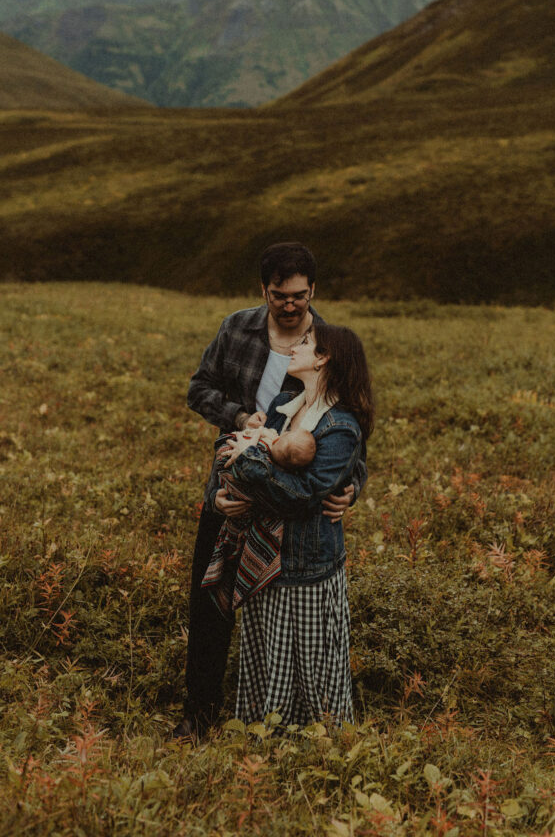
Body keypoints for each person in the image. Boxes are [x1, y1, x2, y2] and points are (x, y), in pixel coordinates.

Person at [173, 242, 367, 739]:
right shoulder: (236, 328)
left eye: (299, 296)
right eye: (280, 295)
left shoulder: (326, 344)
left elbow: (347, 433)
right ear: (264, 291)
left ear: (313, 291)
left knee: (270, 607)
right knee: (211, 599)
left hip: (286, 499)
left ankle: (280, 715)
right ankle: (199, 713)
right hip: (234, 483)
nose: (290, 305)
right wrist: (241, 420)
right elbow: (199, 389)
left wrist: (355, 486)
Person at [219, 321, 374, 726]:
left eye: (306, 342)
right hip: (265, 551)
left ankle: (315, 743)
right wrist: (228, 490)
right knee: (268, 652)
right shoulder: (285, 403)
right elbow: (253, 459)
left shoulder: (340, 426)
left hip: (306, 563)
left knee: (310, 660)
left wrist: (249, 462)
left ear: (322, 358)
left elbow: (301, 495)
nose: (295, 347)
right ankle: (265, 737)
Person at [200, 425, 316, 619]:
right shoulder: (278, 462)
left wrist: (253, 445)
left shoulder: (263, 452)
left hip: (242, 504)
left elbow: (234, 448)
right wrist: (214, 499)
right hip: (237, 503)